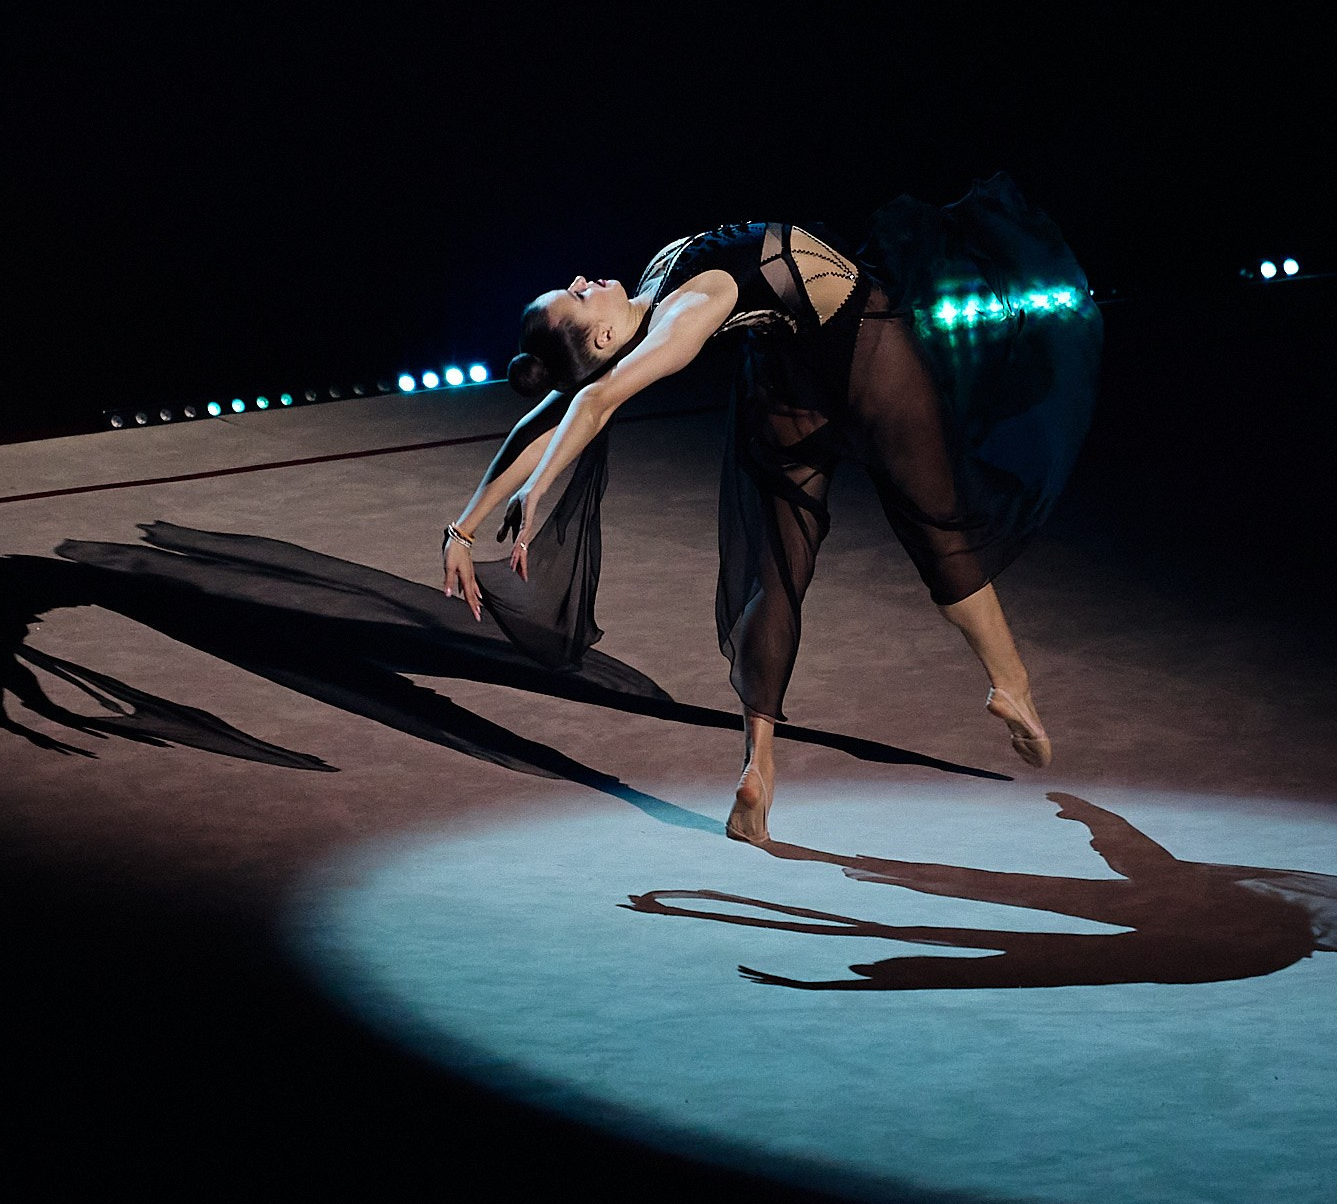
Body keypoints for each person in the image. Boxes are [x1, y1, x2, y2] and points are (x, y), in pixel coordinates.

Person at [438, 176, 1101, 842]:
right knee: (938, 527)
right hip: (864, 349)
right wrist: (535, 487)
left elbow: (566, 401)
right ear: (604, 338)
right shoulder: (687, 308)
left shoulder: (655, 282)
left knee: (777, 563)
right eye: (577, 297)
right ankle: (1009, 683)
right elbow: (591, 402)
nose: (582, 278)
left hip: (783, 375)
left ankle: (758, 764)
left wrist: (464, 527)